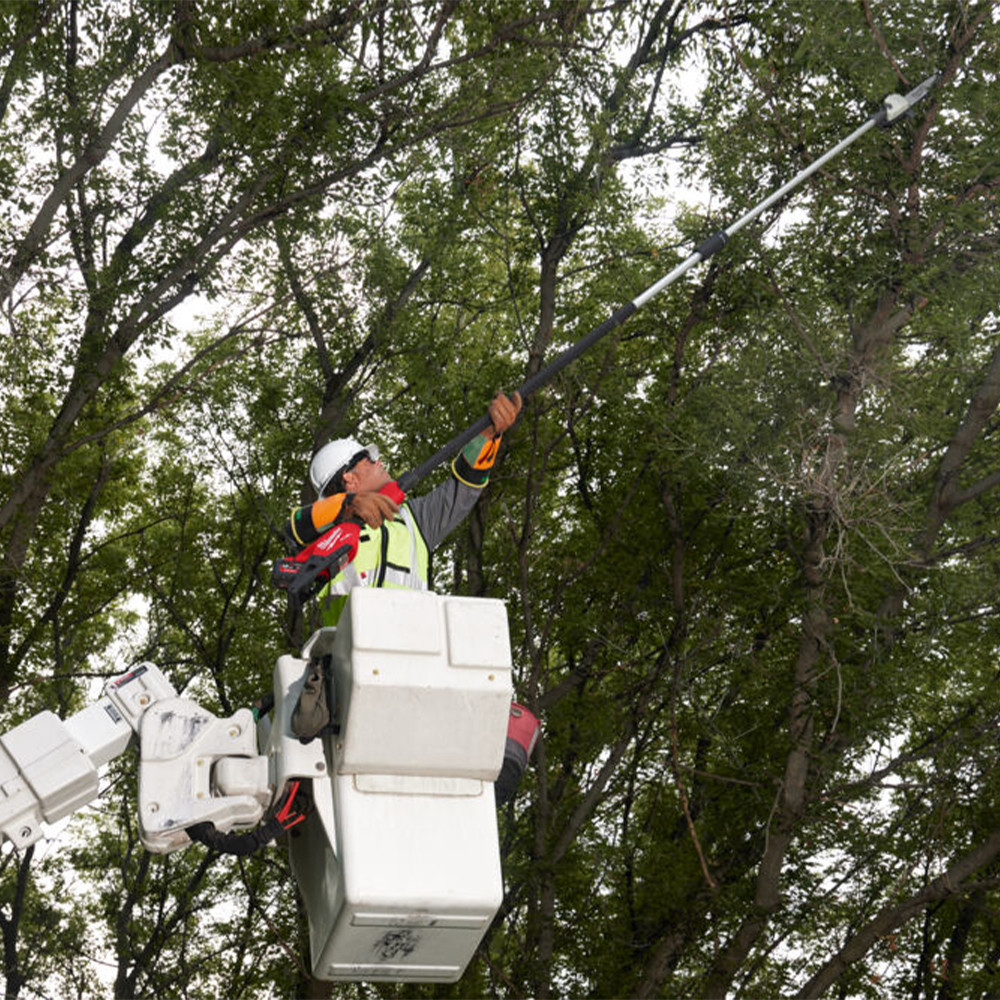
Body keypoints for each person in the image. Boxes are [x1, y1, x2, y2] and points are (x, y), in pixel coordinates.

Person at [286, 391, 539, 804]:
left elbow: (462, 489)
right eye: (369, 459)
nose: (380, 461)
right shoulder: (329, 530)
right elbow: (296, 528)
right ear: (349, 479)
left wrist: (489, 435)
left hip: (417, 665)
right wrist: (348, 508)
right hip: (351, 670)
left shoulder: (415, 521)